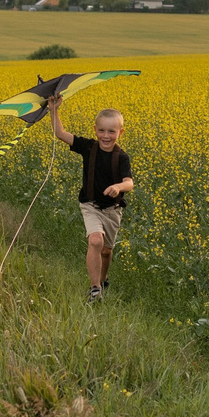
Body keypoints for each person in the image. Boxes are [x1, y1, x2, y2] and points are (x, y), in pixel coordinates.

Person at [47, 98, 134, 301]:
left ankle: (103, 279)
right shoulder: (88, 147)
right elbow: (60, 134)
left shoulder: (122, 157)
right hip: (90, 205)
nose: (106, 136)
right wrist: (54, 110)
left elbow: (129, 183)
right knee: (96, 240)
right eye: (101, 130)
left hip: (112, 209)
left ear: (120, 133)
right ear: (95, 130)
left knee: (106, 251)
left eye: (111, 131)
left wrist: (118, 187)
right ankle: (95, 289)